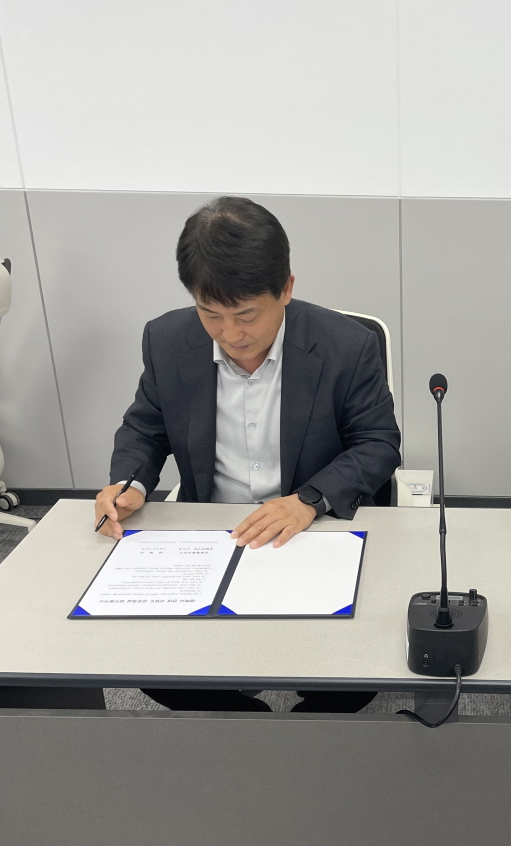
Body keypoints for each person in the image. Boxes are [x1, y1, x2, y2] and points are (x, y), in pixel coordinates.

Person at [96, 196, 401, 713]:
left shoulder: (346, 346)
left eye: (246, 315)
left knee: (352, 674)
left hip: (312, 530)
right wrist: (131, 483)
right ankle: (245, 728)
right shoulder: (167, 341)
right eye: (210, 314)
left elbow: (378, 443)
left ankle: (305, 733)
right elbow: (145, 429)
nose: (231, 334)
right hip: (212, 534)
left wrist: (309, 500)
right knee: (150, 662)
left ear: (286, 289)